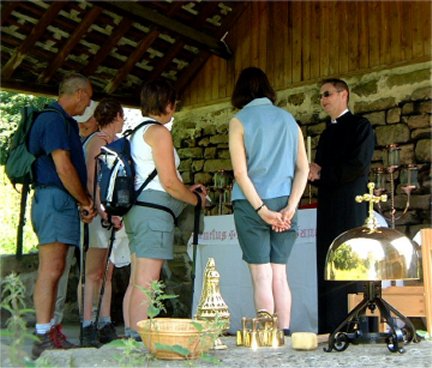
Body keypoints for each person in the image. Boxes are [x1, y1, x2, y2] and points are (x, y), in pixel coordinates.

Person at [123, 79, 207, 340]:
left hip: (138, 210)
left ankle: (130, 334)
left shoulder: (136, 132)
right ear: (168, 104)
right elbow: (169, 182)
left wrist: (186, 191)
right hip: (154, 213)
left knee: (137, 278)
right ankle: (139, 340)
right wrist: (194, 201)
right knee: (148, 281)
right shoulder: (159, 133)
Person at [228, 67, 309, 336]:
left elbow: (240, 173)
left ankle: (266, 335)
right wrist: (291, 207)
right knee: (280, 275)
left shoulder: (239, 121)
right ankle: (284, 334)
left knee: (261, 276)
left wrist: (262, 210)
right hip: (286, 203)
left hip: (251, 205)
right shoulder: (289, 120)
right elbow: (303, 168)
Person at [28, 73, 97, 359]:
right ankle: (42, 334)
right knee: (51, 269)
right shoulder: (53, 120)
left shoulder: (61, 121)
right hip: (56, 199)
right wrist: (85, 200)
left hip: (59, 200)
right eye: (89, 97)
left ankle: (50, 329)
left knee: (57, 270)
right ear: (79, 93)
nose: (89, 103)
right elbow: (63, 167)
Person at [308, 78, 375, 334]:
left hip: (351, 205)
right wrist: (313, 173)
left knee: (351, 262)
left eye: (327, 94)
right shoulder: (326, 134)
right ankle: (330, 326)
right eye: (321, 96)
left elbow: (357, 166)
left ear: (343, 94)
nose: (323, 100)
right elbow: (321, 171)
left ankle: (355, 325)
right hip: (327, 208)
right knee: (328, 262)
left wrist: (322, 173)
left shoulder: (361, 126)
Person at [80, 98, 127, 346]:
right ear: (116, 115)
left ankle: (105, 320)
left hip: (110, 214)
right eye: (122, 116)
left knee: (107, 272)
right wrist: (102, 210)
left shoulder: (112, 143)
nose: (124, 120)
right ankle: (88, 323)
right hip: (101, 216)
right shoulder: (97, 143)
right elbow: (92, 179)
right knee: (94, 272)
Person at [52, 100, 99, 338]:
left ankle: (54, 326)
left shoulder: (77, 140)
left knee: (61, 268)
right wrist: (85, 201)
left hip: (70, 208)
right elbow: (66, 171)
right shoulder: (79, 140)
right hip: (67, 207)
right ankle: (52, 327)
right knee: (57, 268)